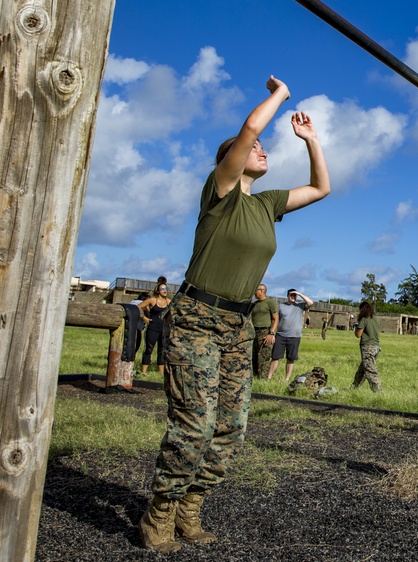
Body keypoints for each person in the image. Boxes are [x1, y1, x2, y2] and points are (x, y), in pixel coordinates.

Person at [139, 75, 330, 553]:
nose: (263, 151)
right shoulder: (220, 193)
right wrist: (280, 95)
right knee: (195, 424)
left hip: (235, 326)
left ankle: (191, 507)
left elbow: (321, 188)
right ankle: (159, 512)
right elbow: (248, 127)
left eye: (266, 147)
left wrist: (311, 141)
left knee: (231, 426)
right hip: (196, 319)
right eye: (257, 148)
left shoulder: (266, 204)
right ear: (233, 160)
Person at [269, 289, 312, 382]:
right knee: (275, 357)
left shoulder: (300, 306)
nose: (293, 297)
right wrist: (272, 333)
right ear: (287, 296)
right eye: (291, 295)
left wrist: (300, 294)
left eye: (294, 295)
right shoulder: (281, 306)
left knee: (291, 358)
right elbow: (275, 319)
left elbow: (310, 302)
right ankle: (269, 377)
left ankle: (287, 379)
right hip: (280, 335)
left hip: (294, 336)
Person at [137, 283, 171, 376]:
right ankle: (143, 372)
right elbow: (137, 307)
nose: (165, 290)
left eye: (166, 288)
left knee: (162, 351)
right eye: (162, 288)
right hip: (152, 328)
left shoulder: (169, 302)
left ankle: (160, 373)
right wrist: (144, 318)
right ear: (158, 290)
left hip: (163, 329)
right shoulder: (152, 300)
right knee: (148, 350)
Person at [351, 301, 382, 392]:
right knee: (362, 370)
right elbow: (378, 333)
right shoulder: (376, 319)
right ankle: (354, 388)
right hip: (376, 347)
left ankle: (378, 391)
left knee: (370, 371)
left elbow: (358, 334)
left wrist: (356, 328)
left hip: (367, 348)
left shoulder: (364, 319)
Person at [250, 284, 279, 380]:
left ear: (262, 290)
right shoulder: (255, 304)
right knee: (253, 355)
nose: (254, 293)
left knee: (263, 356)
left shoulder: (270, 303)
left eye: (256, 290)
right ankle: (254, 376)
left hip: (265, 331)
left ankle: (263, 378)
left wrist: (271, 333)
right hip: (254, 331)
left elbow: (276, 319)